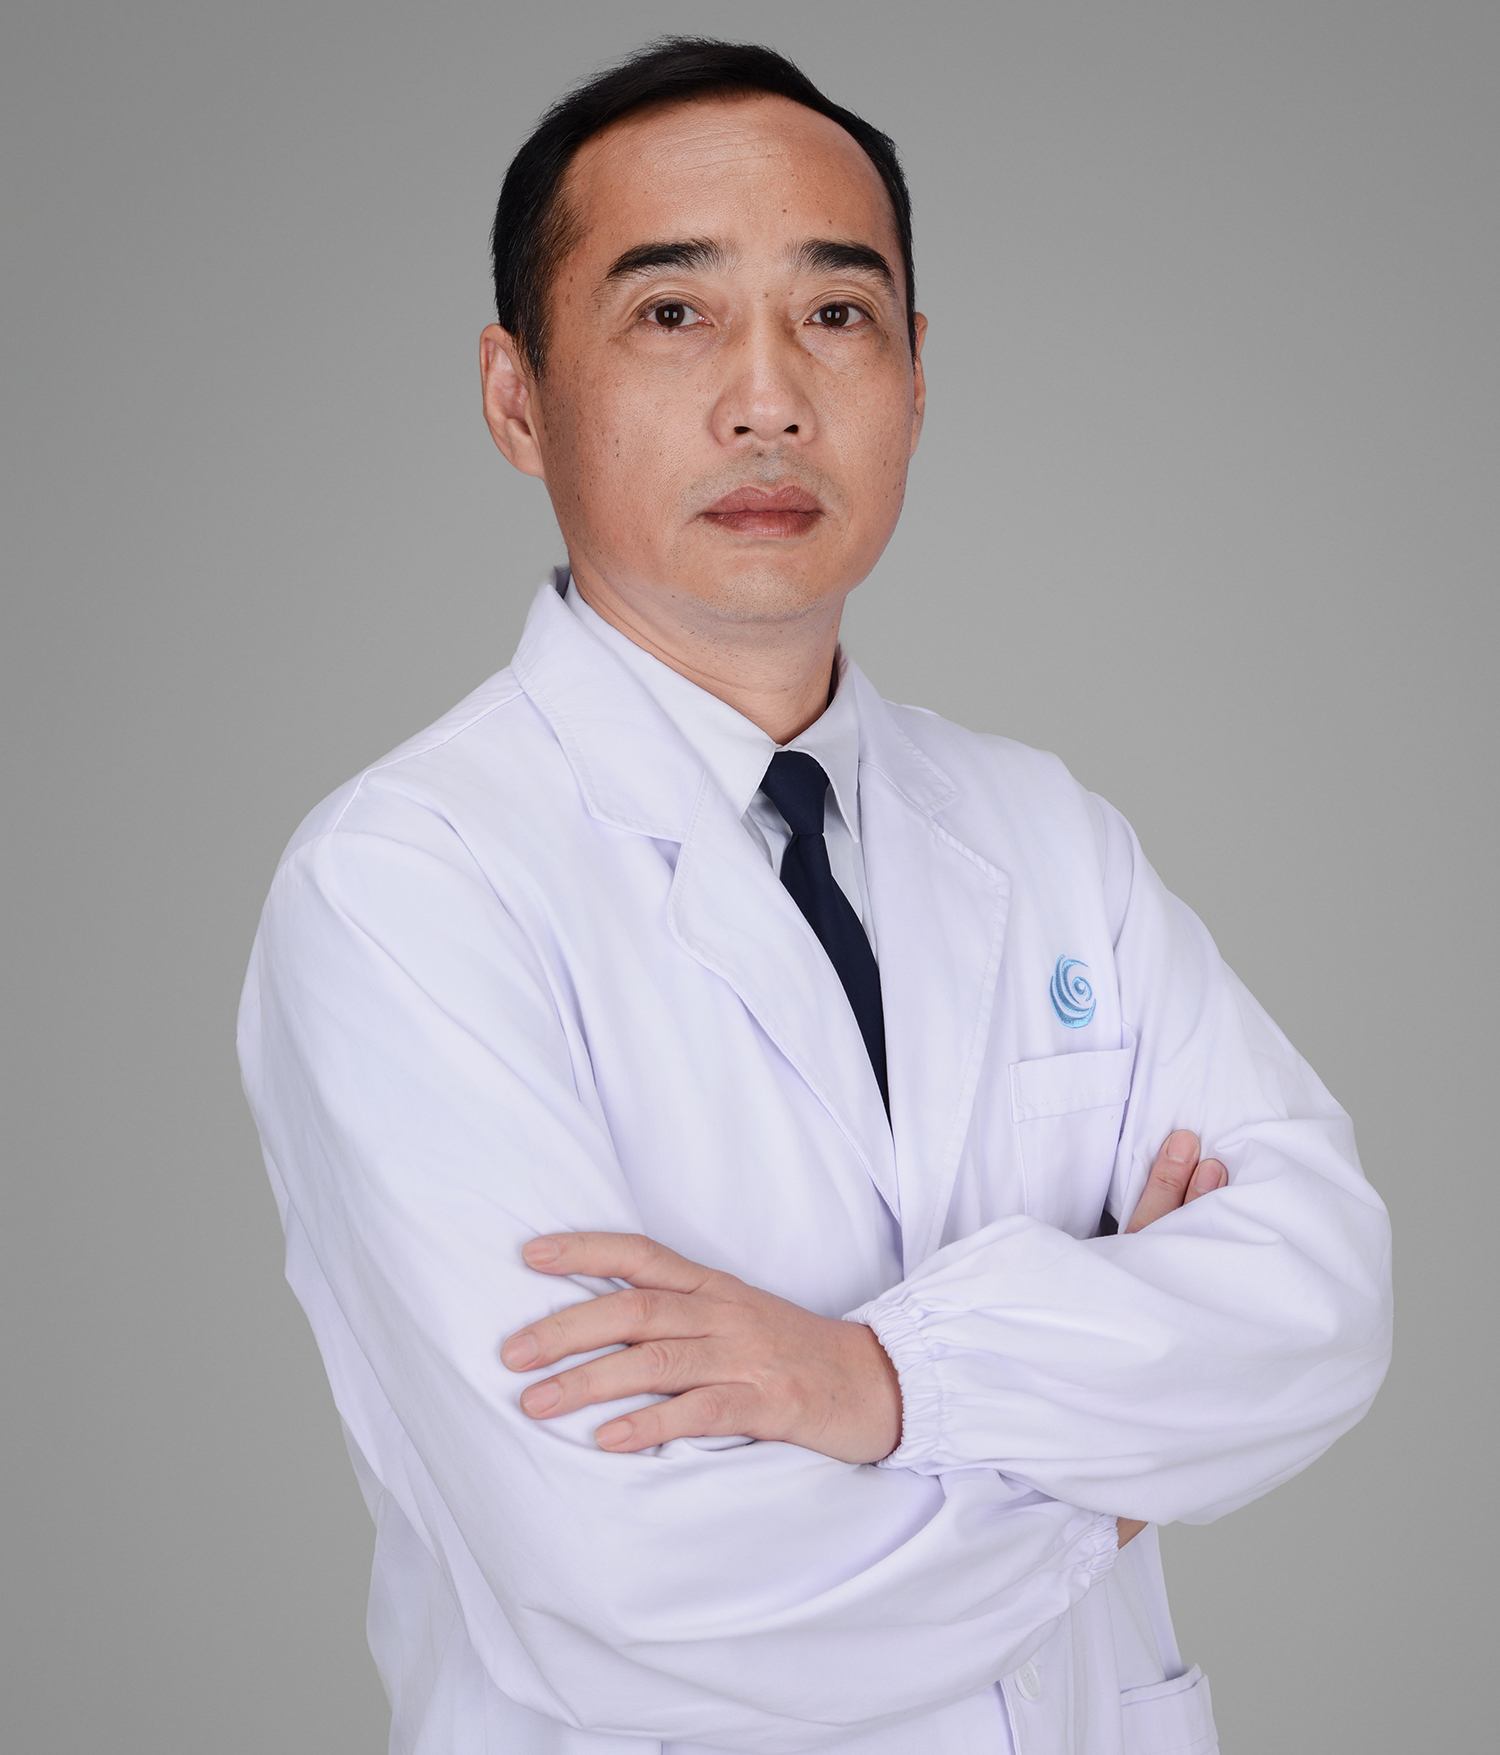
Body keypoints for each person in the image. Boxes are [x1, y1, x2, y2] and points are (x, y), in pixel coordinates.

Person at [237, 36, 1392, 1755]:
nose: (768, 398)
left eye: (837, 314)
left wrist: (878, 1384)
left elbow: (1326, 1293)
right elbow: (635, 1589)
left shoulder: (1046, 833)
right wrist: (1120, 1457)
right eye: (673, 313)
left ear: (916, 377)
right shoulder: (407, 889)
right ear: (516, 397)